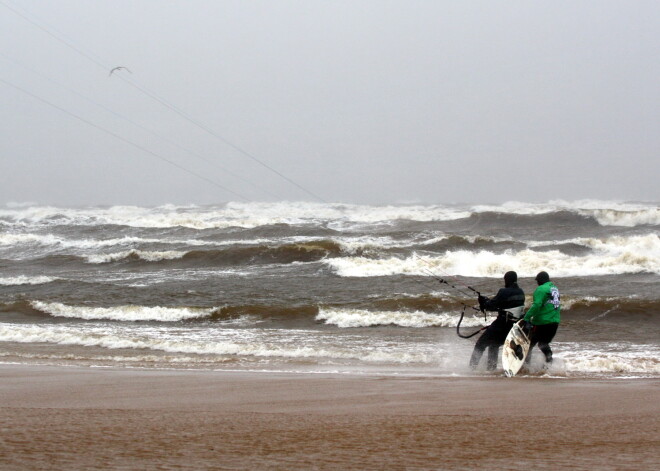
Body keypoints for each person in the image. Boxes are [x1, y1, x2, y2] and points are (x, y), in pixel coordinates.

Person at [469, 271, 525, 371]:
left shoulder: (504, 291)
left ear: (507, 280)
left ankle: (472, 368)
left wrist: (484, 302)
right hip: (512, 326)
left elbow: (491, 306)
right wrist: (487, 301)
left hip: (502, 324)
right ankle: (491, 369)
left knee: (480, 344)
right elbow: (504, 305)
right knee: (493, 344)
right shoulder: (521, 292)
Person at [522, 271, 561, 367]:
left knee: (529, 344)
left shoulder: (541, 289)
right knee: (543, 343)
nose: (537, 283)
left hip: (543, 322)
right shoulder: (555, 289)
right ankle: (548, 362)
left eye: (537, 281)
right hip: (554, 322)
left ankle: (526, 366)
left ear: (540, 280)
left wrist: (526, 318)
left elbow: (537, 305)